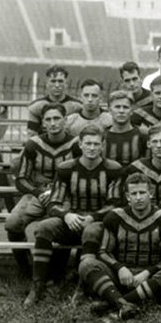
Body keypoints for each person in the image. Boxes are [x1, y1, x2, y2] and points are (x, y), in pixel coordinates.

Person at [25, 125, 124, 305]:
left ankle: (83, 286)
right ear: (80, 144)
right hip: (73, 219)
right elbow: (54, 203)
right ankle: (37, 285)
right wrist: (67, 216)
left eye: (96, 144)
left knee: (91, 231)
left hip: (99, 222)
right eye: (88, 143)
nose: (92, 148)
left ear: (103, 145)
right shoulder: (66, 168)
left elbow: (116, 204)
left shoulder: (113, 168)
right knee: (44, 227)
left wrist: (93, 217)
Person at [78, 173, 161, 319]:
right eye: (134, 193)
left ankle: (116, 303)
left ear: (150, 194)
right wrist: (120, 268)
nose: (138, 197)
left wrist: (147, 272)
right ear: (127, 196)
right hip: (122, 276)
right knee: (87, 264)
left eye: (142, 193)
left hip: (150, 276)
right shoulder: (115, 217)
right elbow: (104, 251)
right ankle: (123, 304)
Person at [7, 103, 80, 274]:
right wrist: (39, 192)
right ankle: (24, 268)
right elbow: (21, 179)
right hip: (38, 193)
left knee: (65, 225)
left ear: (65, 121)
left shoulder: (76, 144)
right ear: (43, 123)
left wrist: (58, 190)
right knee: (12, 223)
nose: (53, 123)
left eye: (57, 118)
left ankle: (57, 271)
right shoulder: (33, 144)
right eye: (48, 119)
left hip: (66, 195)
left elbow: (81, 175)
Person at [26, 65, 82, 136]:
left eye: (60, 81)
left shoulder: (77, 106)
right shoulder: (36, 106)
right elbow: (32, 135)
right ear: (47, 84)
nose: (57, 85)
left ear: (66, 84)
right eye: (53, 81)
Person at [105, 90, 147, 165]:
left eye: (125, 107)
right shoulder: (102, 136)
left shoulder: (143, 136)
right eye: (117, 107)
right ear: (109, 110)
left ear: (131, 111)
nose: (121, 111)